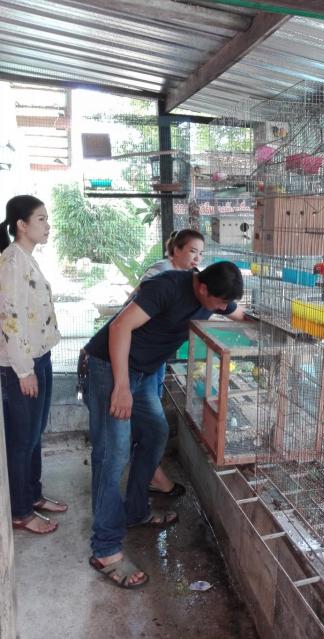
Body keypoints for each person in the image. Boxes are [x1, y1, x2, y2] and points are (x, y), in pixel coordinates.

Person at [83, 261, 245, 588]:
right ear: (202, 288)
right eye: (217, 303)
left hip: (143, 372)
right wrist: (121, 387)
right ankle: (105, 549)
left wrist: (285, 331)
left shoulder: (216, 293)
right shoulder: (167, 287)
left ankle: (135, 512)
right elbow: (119, 328)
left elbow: (239, 314)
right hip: (109, 368)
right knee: (112, 455)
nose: (221, 310)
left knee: (156, 433)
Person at [0, 195, 67, 535]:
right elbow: (9, 319)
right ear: (21, 225)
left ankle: (34, 494)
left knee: (34, 433)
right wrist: (24, 370)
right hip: (20, 367)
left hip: (40, 357)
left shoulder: (26, 258)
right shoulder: (12, 262)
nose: (47, 225)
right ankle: (20, 512)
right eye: (41, 219)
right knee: (21, 440)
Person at [139, 229, 204, 497]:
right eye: (192, 251)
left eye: (200, 253)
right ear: (175, 250)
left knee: (152, 418)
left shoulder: (185, 276)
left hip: (155, 356)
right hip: (141, 356)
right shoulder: (161, 274)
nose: (197, 258)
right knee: (151, 423)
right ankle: (152, 476)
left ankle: (150, 473)